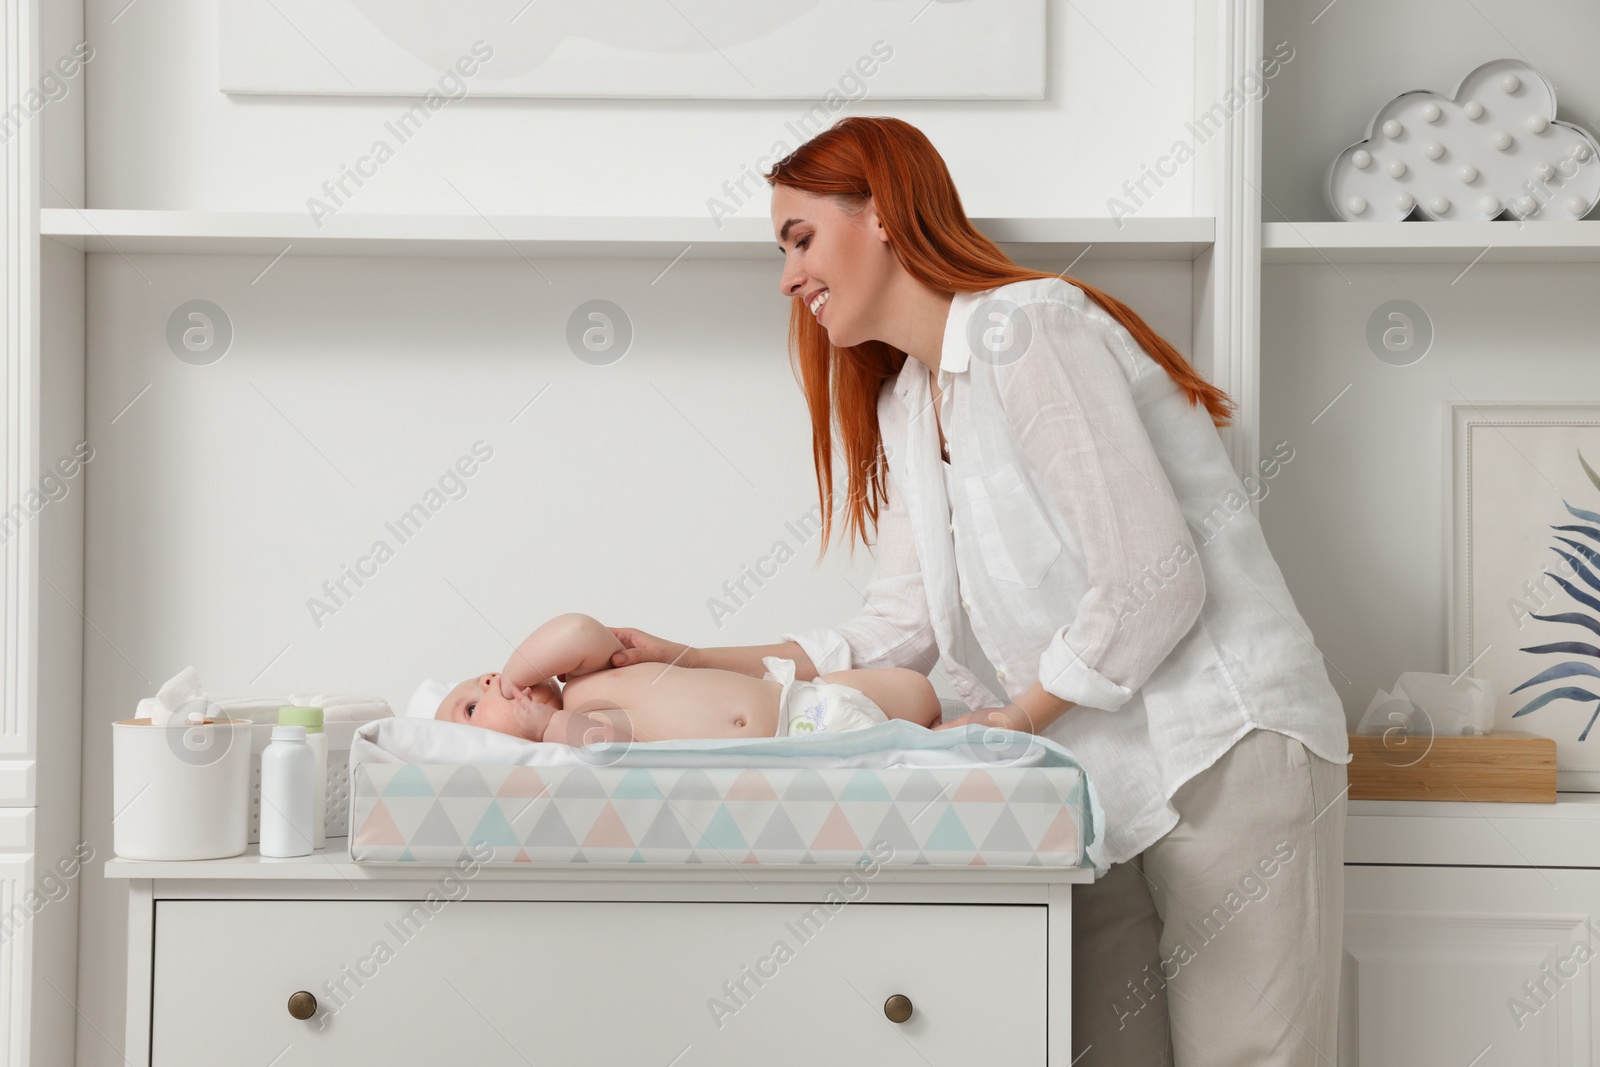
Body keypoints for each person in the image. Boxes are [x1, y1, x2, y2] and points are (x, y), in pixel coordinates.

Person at [600, 117, 1352, 1066]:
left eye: (798, 238)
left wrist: (1018, 718)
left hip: (1225, 745)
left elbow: (1154, 577)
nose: (787, 277)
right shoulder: (909, 404)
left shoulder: (1022, 326)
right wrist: (688, 657)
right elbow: (900, 630)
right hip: (1097, 778)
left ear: (880, 213)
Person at [434, 611, 942, 743]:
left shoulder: (587, 676)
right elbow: (607, 745)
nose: (486, 684)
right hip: (804, 743)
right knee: (926, 743)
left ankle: (951, 729)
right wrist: (544, 728)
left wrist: (513, 677)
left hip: (808, 698)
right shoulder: (572, 729)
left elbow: (575, 628)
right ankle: (954, 739)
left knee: (919, 692)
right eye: (472, 709)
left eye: (485, 680)